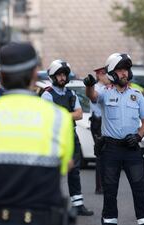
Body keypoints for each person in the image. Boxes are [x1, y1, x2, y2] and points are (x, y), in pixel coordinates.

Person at [0, 42, 75, 225]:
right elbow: (65, 167)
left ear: (2, 76)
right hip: (43, 218)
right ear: (34, 73)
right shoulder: (59, 118)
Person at [84, 53, 144, 225]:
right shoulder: (105, 93)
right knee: (110, 189)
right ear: (112, 73)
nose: (124, 73)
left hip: (132, 149)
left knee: (139, 188)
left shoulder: (137, 95)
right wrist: (89, 86)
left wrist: (138, 136)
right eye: (120, 70)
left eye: (126, 70)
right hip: (111, 150)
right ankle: (109, 220)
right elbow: (92, 96)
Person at [41, 59, 94, 216]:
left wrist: (61, 114)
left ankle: (78, 205)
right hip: (54, 138)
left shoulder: (71, 94)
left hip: (71, 136)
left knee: (74, 171)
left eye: (64, 74)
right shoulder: (47, 95)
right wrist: (68, 115)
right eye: (59, 75)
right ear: (52, 76)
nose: (62, 78)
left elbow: (79, 114)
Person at [90, 66, 111, 195]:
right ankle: (100, 186)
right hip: (98, 122)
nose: (106, 77)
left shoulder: (105, 88)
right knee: (101, 155)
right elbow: (96, 100)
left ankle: (105, 184)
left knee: (106, 155)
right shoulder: (97, 89)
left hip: (104, 122)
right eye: (104, 75)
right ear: (98, 76)